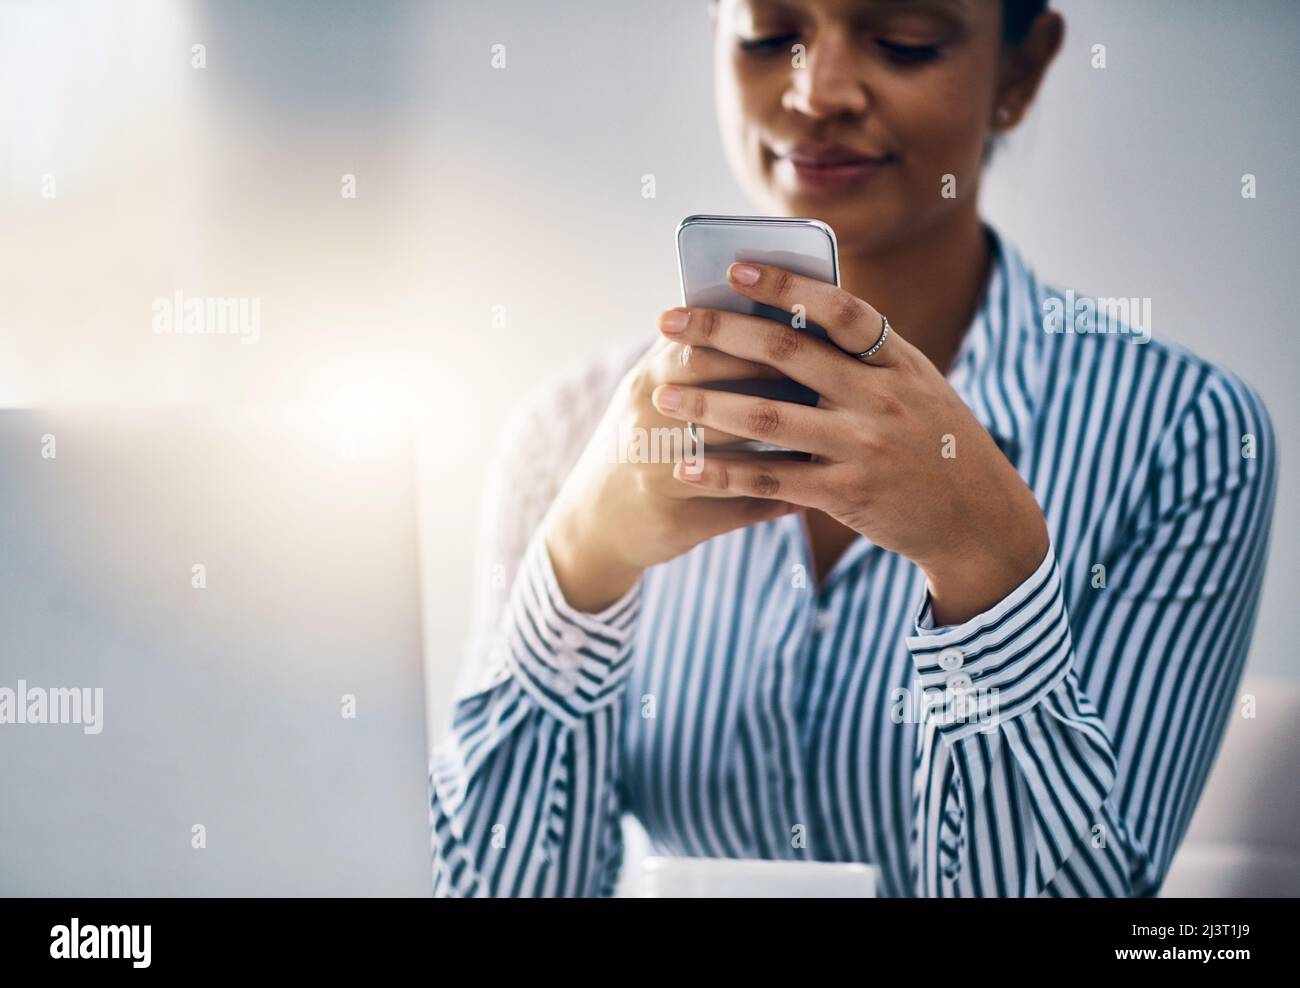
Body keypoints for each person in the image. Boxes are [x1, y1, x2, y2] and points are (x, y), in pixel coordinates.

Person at [429, 0, 1276, 897]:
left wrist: (991, 575)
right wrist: (577, 568)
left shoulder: (1187, 438)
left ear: (1021, 71)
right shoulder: (566, 434)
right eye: (766, 33)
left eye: (902, 39)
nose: (815, 90)